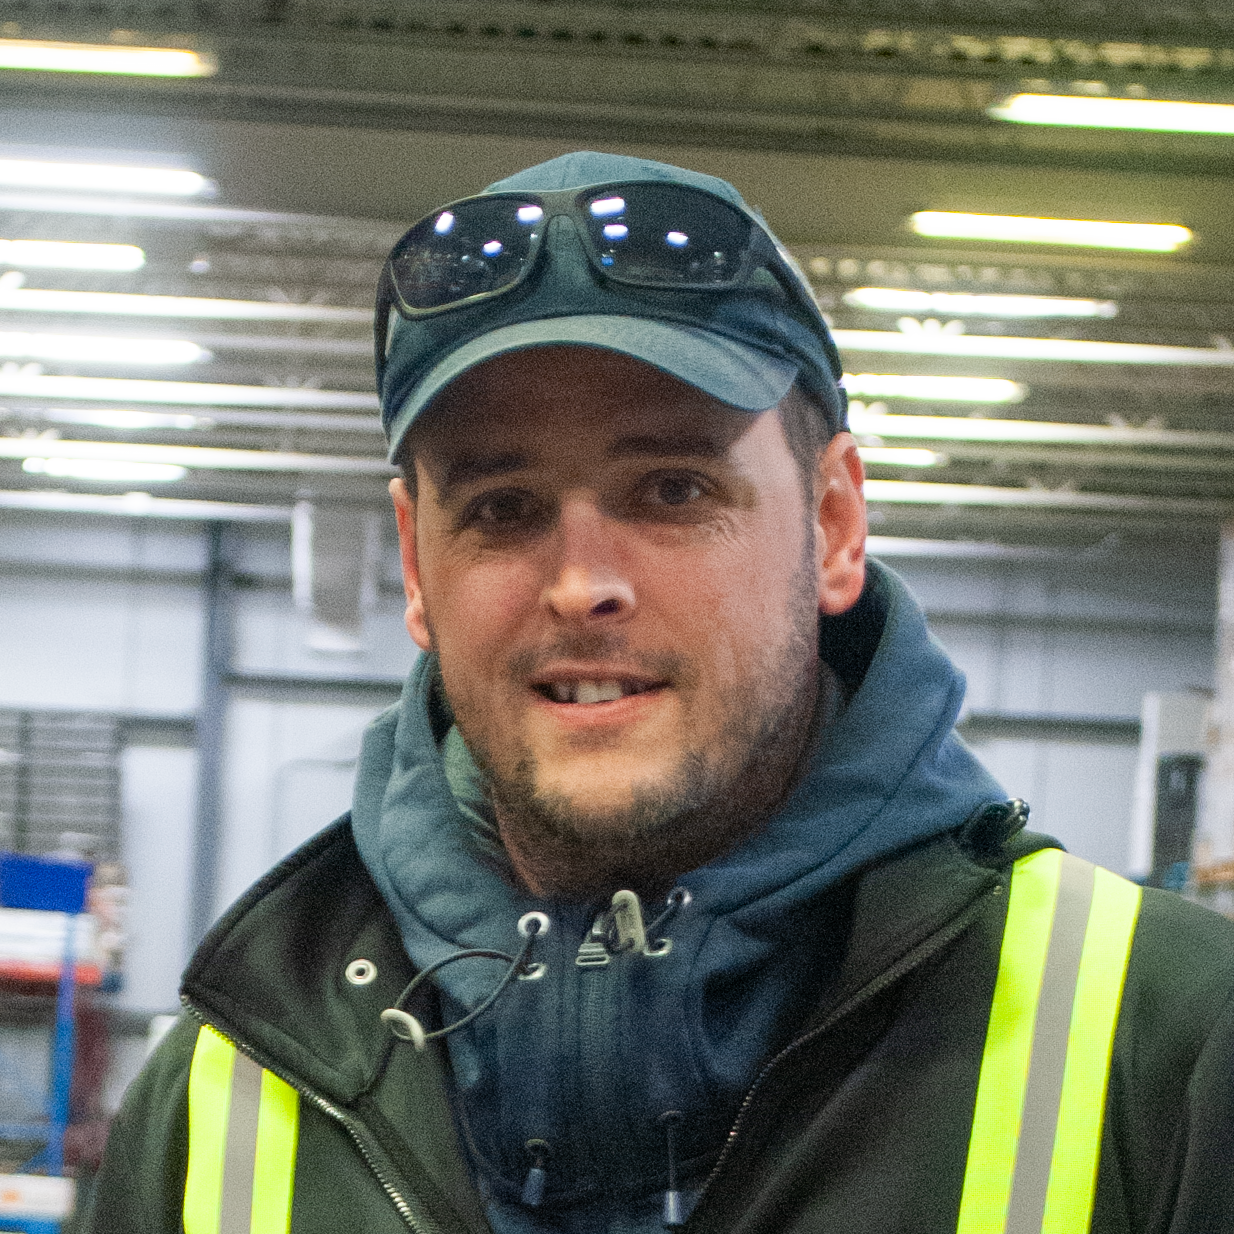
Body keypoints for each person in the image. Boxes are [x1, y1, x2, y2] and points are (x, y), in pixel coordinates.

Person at [88, 152, 1234, 1234]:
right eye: (500, 507)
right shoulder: (216, 1111)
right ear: (414, 564)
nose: (583, 583)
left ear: (834, 524)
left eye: (673, 488)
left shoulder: (1175, 1050)